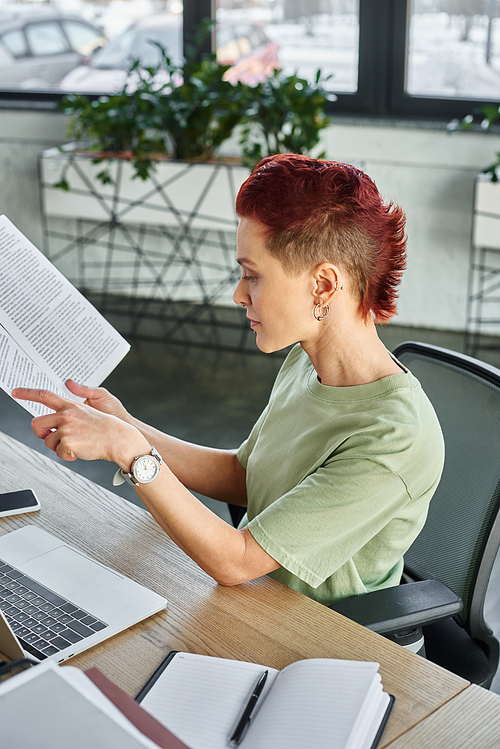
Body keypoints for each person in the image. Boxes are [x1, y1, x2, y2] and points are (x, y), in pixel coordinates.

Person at [13, 154, 444, 606]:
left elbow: (236, 563)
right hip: (257, 606)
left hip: (327, 641)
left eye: (252, 275)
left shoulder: (395, 437)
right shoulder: (306, 363)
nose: (239, 295)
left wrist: (130, 450)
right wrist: (125, 424)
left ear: (322, 286)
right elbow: (245, 474)